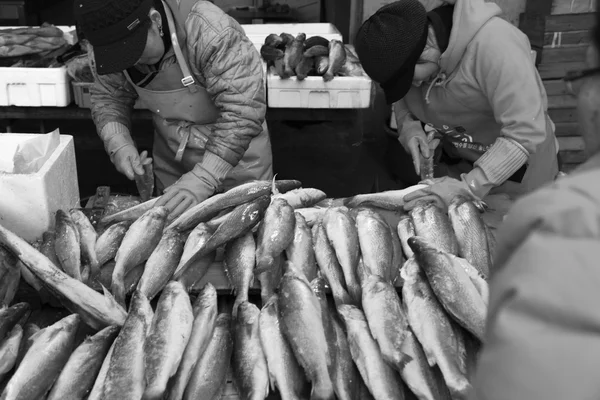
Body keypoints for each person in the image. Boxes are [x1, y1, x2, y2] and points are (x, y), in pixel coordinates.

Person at [469, 4, 600, 399]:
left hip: (525, 173)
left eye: (584, 75)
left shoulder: (568, 226)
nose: (569, 90)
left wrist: (470, 185)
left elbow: (525, 133)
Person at [355, 0, 558, 222]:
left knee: (515, 246)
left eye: (409, 80)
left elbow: (524, 132)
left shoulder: (497, 46)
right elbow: (403, 99)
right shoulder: (411, 51)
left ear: (426, 52)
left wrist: (469, 187)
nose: (412, 87)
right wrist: (410, 127)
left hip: (522, 177)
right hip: (464, 164)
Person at [74, 0, 273, 218]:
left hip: (238, 161)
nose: (133, 63)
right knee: (172, 233)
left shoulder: (210, 30)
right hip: (172, 161)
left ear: (155, 21)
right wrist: (117, 142)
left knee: (241, 233)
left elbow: (243, 110)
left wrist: (206, 175)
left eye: (133, 51)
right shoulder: (108, 43)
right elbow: (108, 94)